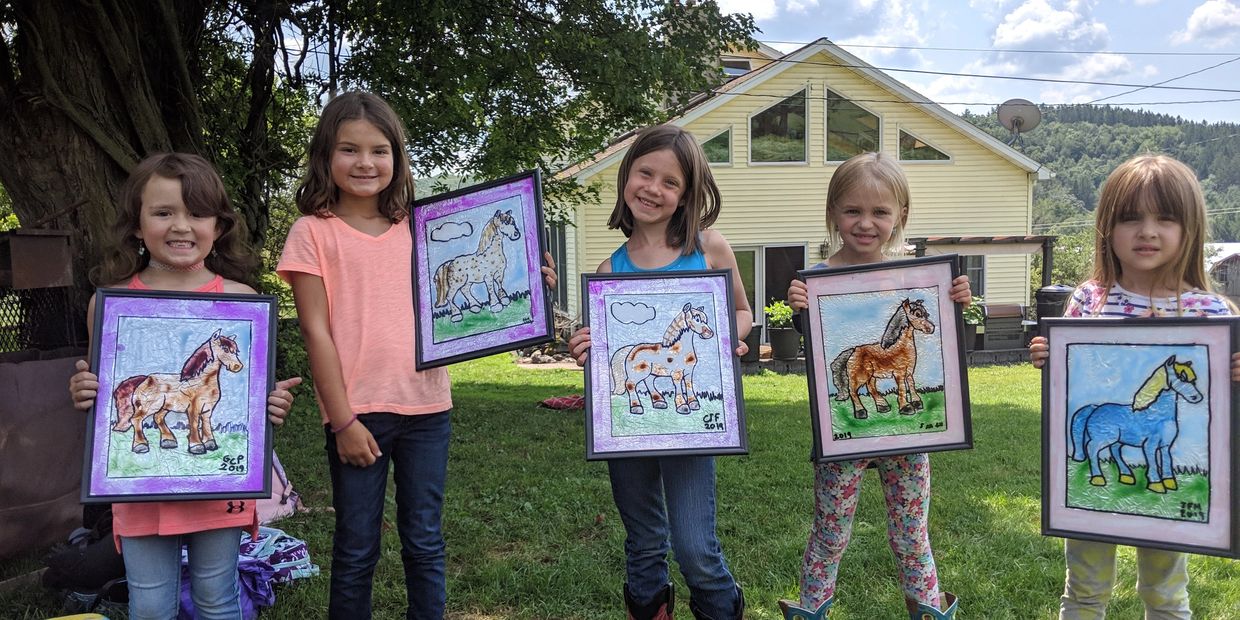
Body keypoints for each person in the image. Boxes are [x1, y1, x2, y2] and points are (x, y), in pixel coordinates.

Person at [277, 91, 556, 619]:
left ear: (397, 158)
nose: (365, 162)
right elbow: (315, 331)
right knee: (356, 547)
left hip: (429, 410)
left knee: (425, 541)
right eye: (349, 150)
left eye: (379, 150)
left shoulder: (422, 227)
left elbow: (466, 302)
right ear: (325, 156)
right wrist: (342, 421)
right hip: (357, 412)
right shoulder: (312, 233)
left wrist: (533, 288)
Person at [66, 153, 302, 620]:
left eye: (196, 213)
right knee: (150, 605)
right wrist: (85, 392)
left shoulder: (243, 303)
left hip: (218, 490)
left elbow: (250, 395)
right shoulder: (110, 304)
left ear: (218, 225)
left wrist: (270, 403)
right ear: (136, 225)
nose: (182, 226)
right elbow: (104, 389)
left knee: (218, 597)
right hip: (141, 493)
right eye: (163, 212)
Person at [1029, 153, 1240, 620]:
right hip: (1083, 504)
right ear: (1108, 228)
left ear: (1190, 229)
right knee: (1084, 591)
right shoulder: (1089, 298)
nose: (1147, 231)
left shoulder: (1210, 313)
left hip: (1171, 504)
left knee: (1165, 594)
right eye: (1130, 219)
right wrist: (1048, 358)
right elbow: (1072, 377)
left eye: (1165, 218)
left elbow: (1225, 408)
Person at [567, 124, 751, 620]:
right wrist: (586, 345)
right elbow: (603, 352)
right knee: (645, 543)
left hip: (693, 431)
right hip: (627, 430)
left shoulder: (709, 248)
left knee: (695, 547)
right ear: (627, 176)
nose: (654, 188)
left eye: (670, 182)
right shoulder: (609, 271)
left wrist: (731, 339)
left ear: (687, 194)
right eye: (645, 173)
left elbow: (740, 311)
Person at [781, 152, 970, 620]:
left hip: (910, 442)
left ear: (899, 217)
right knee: (830, 530)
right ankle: (812, 611)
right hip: (840, 441)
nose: (866, 223)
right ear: (833, 214)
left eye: (880, 212)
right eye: (852, 211)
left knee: (911, 531)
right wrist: (801, 310)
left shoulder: (919, 282)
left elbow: (946, 344)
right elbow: (822, 351)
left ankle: (927, 610)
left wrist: (954, 306)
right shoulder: (817, 281)